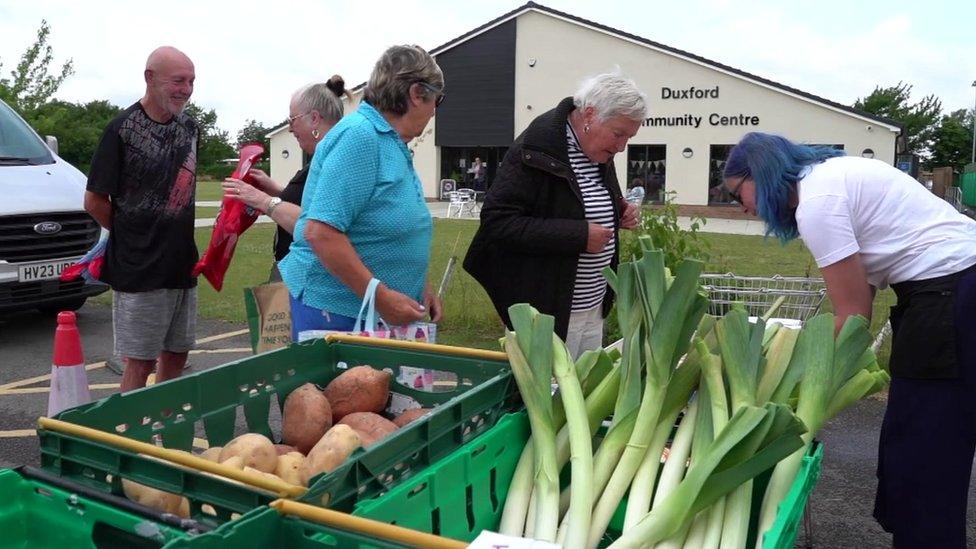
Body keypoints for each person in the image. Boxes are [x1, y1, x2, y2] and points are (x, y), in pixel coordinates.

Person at [722, 132, 976, 548]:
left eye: (738, 195)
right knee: (929, 443)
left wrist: (793, 371)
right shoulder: (834, 176)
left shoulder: (817, 203)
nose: (745, 208)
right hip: (954, 289)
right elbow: (862, 297)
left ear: (761, 173)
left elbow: (853, 313)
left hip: (949, 298)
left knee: (924, 455)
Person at [463, 72, 646, 358]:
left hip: (592, 307)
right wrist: (579, 236)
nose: (622, 146)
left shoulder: (596, 148)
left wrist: (618, 210)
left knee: (583, 396)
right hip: (549, 311)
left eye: (629, 137)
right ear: (589, 115)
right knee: (553, 397)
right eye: (618, 133)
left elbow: (580, 199)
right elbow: (498, 222)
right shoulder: (536, 148)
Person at [279, 45, 444, 340]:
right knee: (344, 389)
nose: (435, 111)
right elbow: (321, 232)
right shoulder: (360, 136)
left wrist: (419, 285)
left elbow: (384, 228)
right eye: (437, 100)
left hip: (370, 313)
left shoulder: (388, 140)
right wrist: (380, 298)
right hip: (339, 314)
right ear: (417, 93)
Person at [84, 46, 199, 392]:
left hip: (182, 261)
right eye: (178, 80)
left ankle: (161, 422)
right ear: (150, 78)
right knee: (140, 359)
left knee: (178, 351)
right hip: (138, 267)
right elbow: (94, 200)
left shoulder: (191, 128)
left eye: (192, 81)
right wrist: (131, 235)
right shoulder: (120, 130)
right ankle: (127, 433)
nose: (187, 89)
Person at [222, 76, 347, 279]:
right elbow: (312, 204)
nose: (290, 128)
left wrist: (262, 200)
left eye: (293, 120)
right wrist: (277, 190)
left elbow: (319, 226)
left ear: (314, 118)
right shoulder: (324, 157)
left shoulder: (337, 161)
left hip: (312, 277)